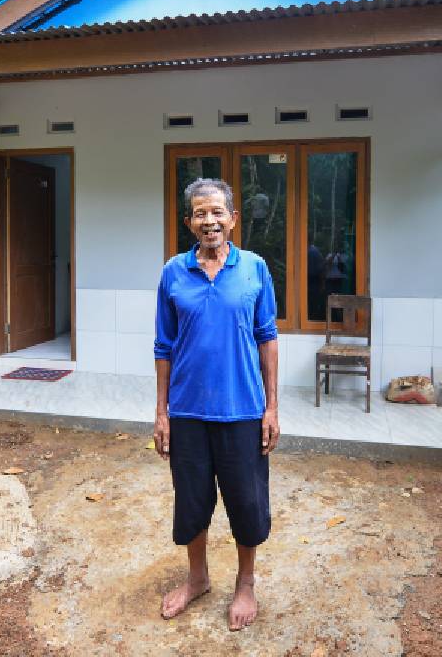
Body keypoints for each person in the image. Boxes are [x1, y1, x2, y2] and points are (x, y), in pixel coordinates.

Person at [153, 177, 279, 631]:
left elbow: (267, 337)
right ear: (189, 222)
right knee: (192, 499)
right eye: (200, 214)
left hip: (243, 409)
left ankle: (245, 583)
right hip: (187, 411)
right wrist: (162, 412)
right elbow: (163, 346)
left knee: (246, 501)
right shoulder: (173, 272)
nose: (210, 221)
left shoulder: (254, 269)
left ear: (233, 219)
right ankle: (198, 578)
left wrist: (272, 408)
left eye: (218, 213)